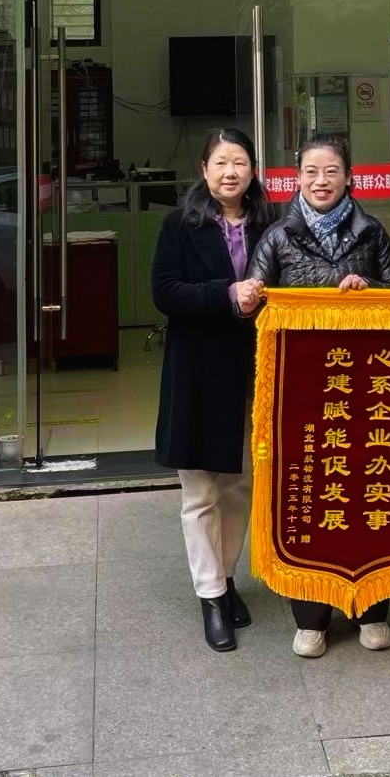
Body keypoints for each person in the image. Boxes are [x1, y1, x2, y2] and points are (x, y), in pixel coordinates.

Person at [247, 133, 390, 659]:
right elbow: (255, 304)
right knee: (308, 493)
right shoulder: (277, 237)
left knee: (367, 487)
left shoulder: (372, 232)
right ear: (297, 178)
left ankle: (372, 611)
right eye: (311, 171)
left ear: (348, 177)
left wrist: (372, 291)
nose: (321, 181)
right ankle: (311, 617)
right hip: (302, 391)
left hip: (366, 389)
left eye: (331, 171)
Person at [151, 128, 274, 653]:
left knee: (241, 484)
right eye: (220, 162)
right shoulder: (179, 224)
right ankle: (210, 596)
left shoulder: (271, 224)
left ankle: (224, 578)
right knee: (201, 490)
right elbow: (164, 292)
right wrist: (226, 294)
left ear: (252, 170)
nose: (230, 172)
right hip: (198, 371)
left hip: (253, 371)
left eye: (239, 162)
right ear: (204, 170)